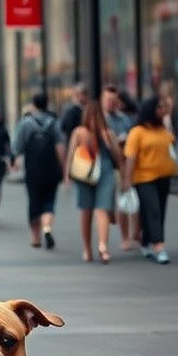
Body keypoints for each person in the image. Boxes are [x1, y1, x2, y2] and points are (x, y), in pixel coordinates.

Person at [65, 100, 123, 263]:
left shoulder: (83, 132)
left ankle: (92, 248)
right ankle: (98, 247)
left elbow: (70, 154)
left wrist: (67, 175)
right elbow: (118, 158)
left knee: (92, 210)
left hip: (86, 172)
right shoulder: (101, 132)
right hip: (98, 171)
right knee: (97, 210)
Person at [123, 95, 176, 264]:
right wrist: (127, 180)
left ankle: (146, 242)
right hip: (145, 178)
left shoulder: (164, 131)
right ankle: (159, 246)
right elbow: (131, 157)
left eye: (163, 108)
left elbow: (172, 148)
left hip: (164, 177)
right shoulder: (137, 132)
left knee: (158, 210)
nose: (162, 111)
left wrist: (168, 122)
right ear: (150, 110)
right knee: (153, 210)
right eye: (159, 108)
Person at [13, 90, 65, 249]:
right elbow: (60, 147)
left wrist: (14, 162)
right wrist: (62, 168)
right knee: (49, 201)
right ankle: (47, 228)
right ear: (47, 104)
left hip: (33, 170)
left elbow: (17, 147)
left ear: (34, 104)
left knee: (34, 201)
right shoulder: (53, 122)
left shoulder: (26, 123)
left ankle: (35, 237)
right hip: (51, 169)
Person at [102, 84, 137, 250]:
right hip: (105, 165)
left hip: (122, 165)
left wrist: (124, 140)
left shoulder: (124, 119)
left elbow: (133, 138)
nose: (111, 103)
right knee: (108, 205)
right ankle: (111, 215)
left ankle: (128, 237)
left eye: (114, 100)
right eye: (108, 100)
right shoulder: (100, 119)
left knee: (125, 201)